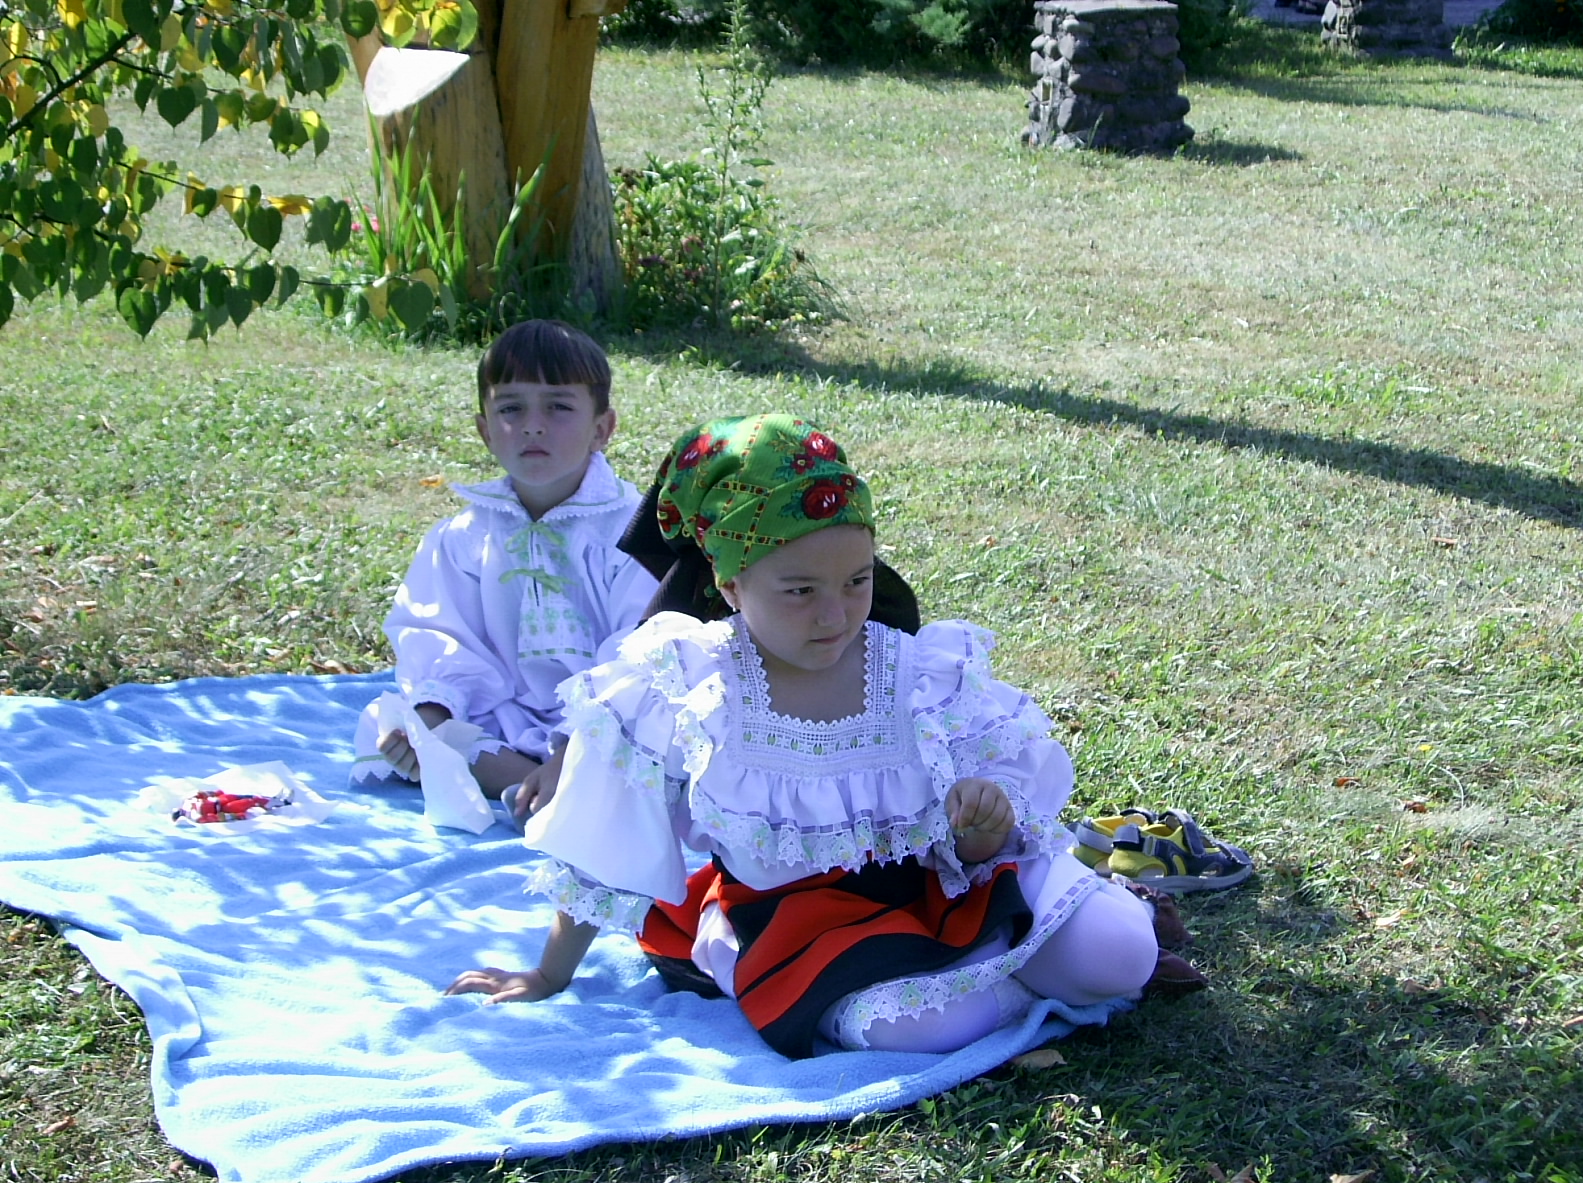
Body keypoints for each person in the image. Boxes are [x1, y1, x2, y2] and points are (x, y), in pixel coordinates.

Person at [447, 414, 1199, 1055]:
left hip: (944, 885)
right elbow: (603, 839)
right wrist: (549, 973)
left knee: (1122, 953)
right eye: (800, 591)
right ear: (731, 583)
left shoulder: (919, 672)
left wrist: (983, 820)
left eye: (857, 580)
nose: (836, 616)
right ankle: (1015, 974)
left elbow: (986, 829)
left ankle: (1054, 946)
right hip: (805, 926)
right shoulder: (687, 684)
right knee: (933, 1025)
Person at [351, 320, 657, 820]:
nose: (533, 426)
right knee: (397, 724)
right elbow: (439, 633)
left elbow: (641, 648)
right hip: (504, 715)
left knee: (652, 737)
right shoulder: (467, 536)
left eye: (558, 407)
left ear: (602, 428)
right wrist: (432, 713)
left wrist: (577, 738)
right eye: (511, 409)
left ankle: (558, 784)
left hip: (606, 719)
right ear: (485, 430)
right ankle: (531, 790)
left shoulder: (631, 531)